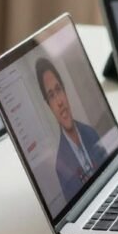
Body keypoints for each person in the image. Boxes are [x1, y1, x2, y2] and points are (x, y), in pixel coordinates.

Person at [35, 57, 108, 199]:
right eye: (51, 95)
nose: (59, 102)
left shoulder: (91, 133)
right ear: (49, 105)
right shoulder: (60, 165)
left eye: (59, 90)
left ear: (65, 92)